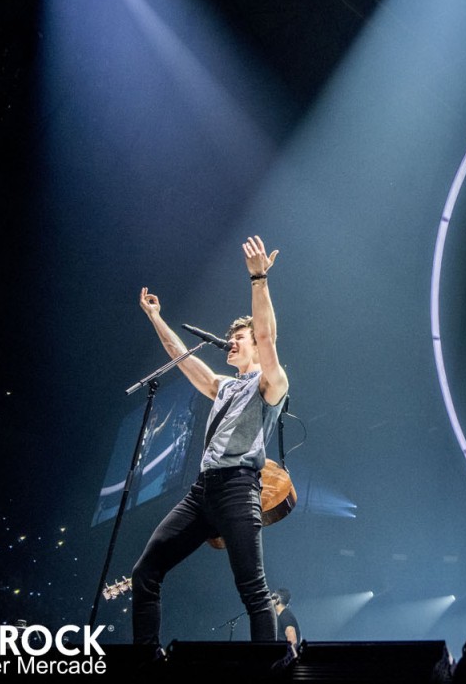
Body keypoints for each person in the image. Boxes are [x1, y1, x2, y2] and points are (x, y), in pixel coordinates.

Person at [130, 235, 290, 649]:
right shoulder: (222, 385)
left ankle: (266, 670)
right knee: (145, 573)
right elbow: (179, 355)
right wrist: (156, 317)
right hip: (202, 491)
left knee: (253, 590)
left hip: (238, 488)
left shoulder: (270, 384)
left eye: (239, 338)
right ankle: (147, 663)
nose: (231, 342)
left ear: (254, 346)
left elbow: (268, 338)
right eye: (230, 337)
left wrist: (258, 279)